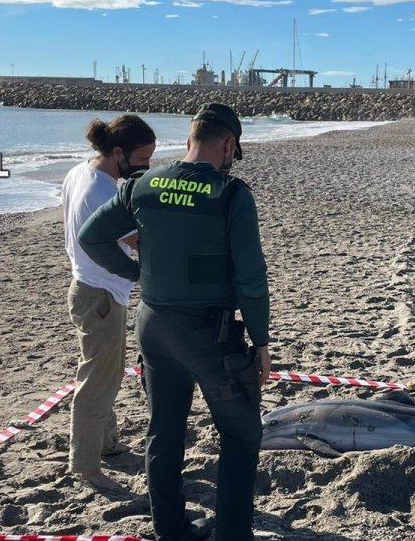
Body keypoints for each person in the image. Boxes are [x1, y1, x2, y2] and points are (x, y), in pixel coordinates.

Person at [79, 102, 271, 541]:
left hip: (154, 326)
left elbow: (92, 236)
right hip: (209, 334)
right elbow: (251, 278)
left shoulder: (143, 184)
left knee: (163, 434)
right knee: (241, 435)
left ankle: (171, 530)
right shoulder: (231, 195)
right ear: (228, 145)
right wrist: (261, 341)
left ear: (189, 140)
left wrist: (137, 273)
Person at [61, 115, 156, 490]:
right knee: (97, 380)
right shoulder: (103, 192)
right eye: (143, 160)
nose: (147, 168)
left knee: (106, 371)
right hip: (100, 294)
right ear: (118, 152)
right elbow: (138, 243)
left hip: (87, 287)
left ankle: (107, 444)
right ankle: (85, 466)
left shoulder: (79, 173)